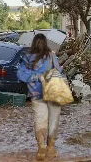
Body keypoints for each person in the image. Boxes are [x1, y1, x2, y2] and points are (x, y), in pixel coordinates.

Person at [17, 33, 66, 161]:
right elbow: (59, 72)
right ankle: (50, 148)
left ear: (33, 43)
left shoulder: (28, 57)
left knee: (40, 120)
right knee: (53, 121)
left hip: (36, 94)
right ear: (46, 43)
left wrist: (34, 77)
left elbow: (20, 74)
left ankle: (41, 146)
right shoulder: (51, 56)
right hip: (52, 93)